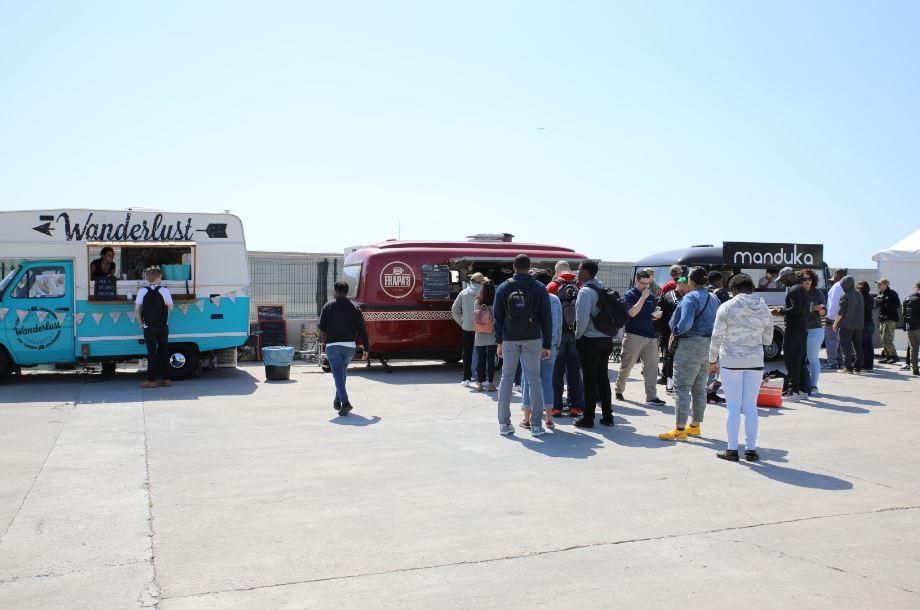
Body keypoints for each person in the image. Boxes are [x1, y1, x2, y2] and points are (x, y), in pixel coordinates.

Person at [708, 273, 774, 462]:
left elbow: (717, 337)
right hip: (755, 361)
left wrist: (712, 360)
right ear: (751, 288)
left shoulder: (727, 307)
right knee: (750, 406)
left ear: (733, 289)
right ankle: (751, 450)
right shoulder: (764, 308)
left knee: (733, 407)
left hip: (731, 361)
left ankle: (732, 449)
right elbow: (768, 339)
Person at [494, 254, 553, 437]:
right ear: (529, 267)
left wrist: (499, 341)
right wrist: (548, 344)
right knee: (534, 379)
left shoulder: (503, 287)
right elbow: (546, 318)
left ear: (514, 267)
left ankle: (504, 423)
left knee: (506, 379)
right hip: (532, 338)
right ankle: (536, 425)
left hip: (510, 338)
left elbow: (498, 317)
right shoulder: (539, 288)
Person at [659, 267, 719, 441]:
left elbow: (684, 324)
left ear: (691, 281)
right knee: (699, 388)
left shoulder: (690, 298)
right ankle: (695, 426)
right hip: (708, 345)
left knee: (682, 388)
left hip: (690, 344)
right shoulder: (713, 297)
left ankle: (679, 429)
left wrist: (675, 331)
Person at [614, 270, 666, 406]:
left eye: (647, 284)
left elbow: (650, 313)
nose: (645, 286)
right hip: (634, 335)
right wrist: (642, 298)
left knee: (652, 367)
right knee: (627, 365)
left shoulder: (651, 295)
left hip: (650, 335)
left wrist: (656, 315)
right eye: (642, 283)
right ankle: (619, 389)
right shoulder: (630, 294)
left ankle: (651, 396)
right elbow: (632, 313)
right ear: (636, 281)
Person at [318, 281, 370, 416]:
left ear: (335, 291)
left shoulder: (328, 306)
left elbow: (321, 328)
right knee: (342, 374)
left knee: (337, 376)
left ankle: (345, 402)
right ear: (347, 292)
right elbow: (362, 330)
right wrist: (366, 348)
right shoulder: (355, 307)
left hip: (333, 346)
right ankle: (337, 400)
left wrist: (321, 342)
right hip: (349, 347)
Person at [573, 260, 614, 429]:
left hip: (590, 339)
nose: (577, 272)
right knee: (603, 378)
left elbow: (581, 319)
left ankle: (588, 418)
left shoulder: (585, 291)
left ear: (587, 272)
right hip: (606, 339)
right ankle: (607, 416)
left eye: (580, 269)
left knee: (589, 380)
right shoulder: (602, 288)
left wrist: (577, 336)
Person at [521, 270, 562, 430]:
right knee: (546, 380)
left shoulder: (529, 298)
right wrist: (556, 345)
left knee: (528, 380)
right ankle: (549, 418)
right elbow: (558, 326)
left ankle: (526, 419)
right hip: (550, 346)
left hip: (530, 345)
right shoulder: (555, 300)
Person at [548, 260, 583, 417]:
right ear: (570, 270)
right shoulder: (581, 285)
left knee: (557, 371)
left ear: (557, 271)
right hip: (576, 335)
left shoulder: (552, 287)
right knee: (575, 371)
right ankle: (575, 406)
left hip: (558, 336)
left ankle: (556, 406)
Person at [771, 267, 809, 401]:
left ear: (789, 276)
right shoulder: (801, 288)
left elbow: (795, 309)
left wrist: (779, 312)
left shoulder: (794, 290)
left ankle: (794, 392)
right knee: (800, 360)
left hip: (794, 328)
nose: (782, 282)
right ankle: (804, 390)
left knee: (791, 359)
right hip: (802, 328)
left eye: (783, 279)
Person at [135, 267, 174, 389]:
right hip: (163, 326)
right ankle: (166, 379)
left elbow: (137, 310)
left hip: (149, 327)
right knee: (164, 351)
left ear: (147, 278)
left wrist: (141, 324)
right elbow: (171, 307)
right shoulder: (164, 291)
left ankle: (151, 381)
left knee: (151, 353)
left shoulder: (142, 291)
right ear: (158, 278)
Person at [657, 277, 690, 393]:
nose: (689, 289)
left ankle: (667, 378)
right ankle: (668, 382)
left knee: (672, 358)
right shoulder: (672, 295)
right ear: (680, 284)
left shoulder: (684, 296)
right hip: (669, 333)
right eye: (687, 286)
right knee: (671, 357)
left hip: (675, 333)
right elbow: (677, 304)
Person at [451, 272, 484, 386]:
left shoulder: (463, 293)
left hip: (467, 327)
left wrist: (462, 322)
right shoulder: (485, 293)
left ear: (471, 281)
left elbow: (455, 310)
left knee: (467, 353)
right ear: (481, 282)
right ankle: (481, 379)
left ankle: (466, 378)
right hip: (483, 328)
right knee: (481, 353)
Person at [802, 269, 827, 394]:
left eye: (809, 279)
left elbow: (824, 312)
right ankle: (802, 385)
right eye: (804, 279)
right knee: (801, 359)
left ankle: (813, 386)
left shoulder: (817, 294)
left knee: (812, 358)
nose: (807, 281)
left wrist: (820, 309)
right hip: (800, 330)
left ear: (813, 280)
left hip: (815, 330)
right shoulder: (797, 292)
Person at [834, 276, 865, 374]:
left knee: (846, 348)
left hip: (846, 326)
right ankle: (858, 367)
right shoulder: (859, 294)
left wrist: (835, 324)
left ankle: (848, 368)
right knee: (858, 347)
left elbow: (841, 312)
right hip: (859, 326)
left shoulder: (845, 295)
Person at [472, 279, 498, 392]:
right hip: (492, 333)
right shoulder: (495, 302)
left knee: (480, 359)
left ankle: (480, 384)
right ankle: (491, 383)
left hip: (480, 333)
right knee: (491, 360)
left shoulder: (477, 302)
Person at [824, 268, 847, 369]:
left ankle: (831, 362)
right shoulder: (845, 286)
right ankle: (840, 362)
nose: (832, 280)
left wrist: (829, 317)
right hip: (842, 317)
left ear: (837, 275)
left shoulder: (836, 287)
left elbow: (833, 304)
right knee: (838, 341)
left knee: (831, 340)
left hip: (833, 317)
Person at [875, 278, 901, 364]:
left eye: (880, 284)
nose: (878, 285)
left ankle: (894, 356)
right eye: (878, 284)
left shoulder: (892, 293)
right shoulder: (881, 294)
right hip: (882, 318)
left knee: (887, 339)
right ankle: (888, 356)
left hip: (890, 319)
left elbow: (897, 305)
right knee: (883, 340)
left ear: (886, 285)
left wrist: (886, 300)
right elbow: (879, 306)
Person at [856, 281, 875, 372]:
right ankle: (869, 365)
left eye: (859, 287)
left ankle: (864, 365)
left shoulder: (861, 297)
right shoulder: (870, 297)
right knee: (869, 345)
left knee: (863, 345)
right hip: (870, 322)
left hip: (863, 323)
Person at [903, 281, 920, 376]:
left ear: (916, 287)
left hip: (910, 328)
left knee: (914, 348)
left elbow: (903, 313)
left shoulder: (907, 298)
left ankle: (915, 369)